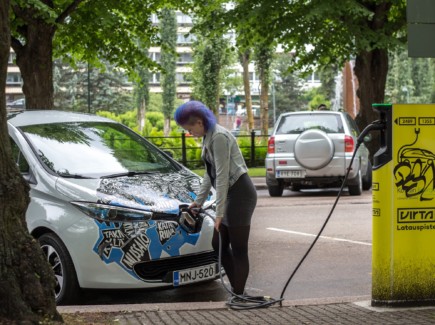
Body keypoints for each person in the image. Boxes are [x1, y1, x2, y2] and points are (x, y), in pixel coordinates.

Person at [174, 100, 257, 296]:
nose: (189, 133)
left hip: (240, 194)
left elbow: (221, 177)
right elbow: (208, 174)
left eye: (190, 128)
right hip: (229, 194)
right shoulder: (207, 137)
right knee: (218, 244)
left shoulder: (219, 137)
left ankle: (238, 294)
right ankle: (238, 292)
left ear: (200, 122)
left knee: (238, 249)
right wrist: (198, 201)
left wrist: (219, 213)